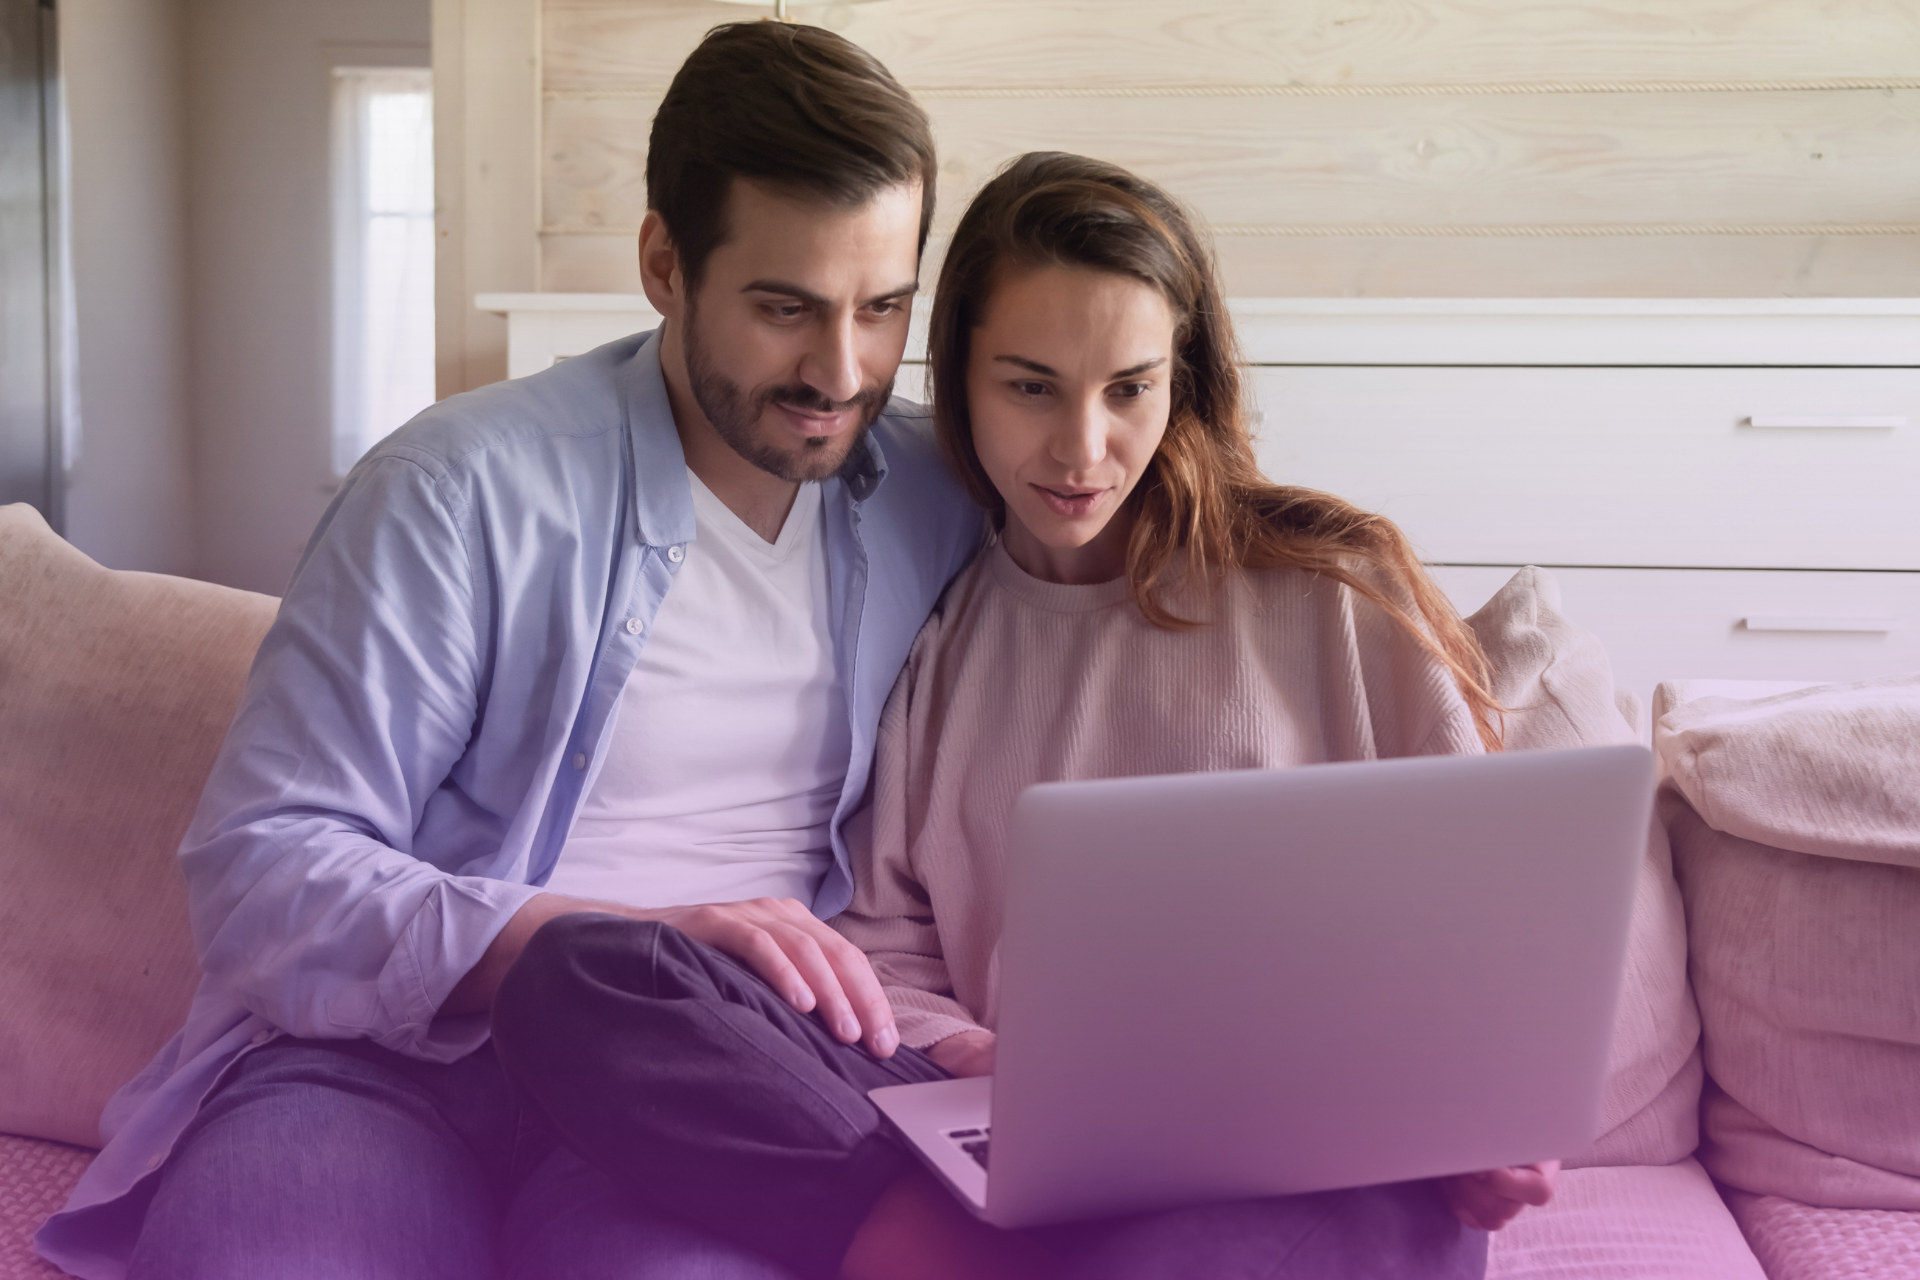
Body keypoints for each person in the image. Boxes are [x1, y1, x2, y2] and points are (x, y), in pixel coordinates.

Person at [491, 153, 1562, 1280]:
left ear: (1181, 379)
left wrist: (1492, 1118)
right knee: (582, 976)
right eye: (1031, 384)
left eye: (1129, 388)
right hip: (998, 1121)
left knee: (1289, 1230)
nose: (1081, 447)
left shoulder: (1336, 595)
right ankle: (940, 1243)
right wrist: (977, 1057)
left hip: (1305, 1160)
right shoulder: (943, 625)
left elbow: (1482, 937)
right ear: (958, 377)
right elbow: (886, 946)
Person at [36, 22, 977, 1280]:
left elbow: (1146, 513)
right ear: (662, 262)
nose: (842, 369)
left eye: (884, 309)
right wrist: (602, 942)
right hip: (383, 1066)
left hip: (718, 1086)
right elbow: (266, 870)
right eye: (783, 308)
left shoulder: (936, 487)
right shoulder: (458, 488)